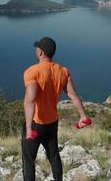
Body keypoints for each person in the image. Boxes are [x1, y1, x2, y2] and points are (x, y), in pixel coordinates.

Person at [22, 37, 88, 181]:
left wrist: (28, 129)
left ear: (40, 52)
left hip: (35, 123)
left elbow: (30, 101)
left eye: (37, 48)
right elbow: (73, 95)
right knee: (53, 155)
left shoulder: (32, 72)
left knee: (28, 160)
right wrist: (83, 116)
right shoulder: (63, 71)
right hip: (52, 122)